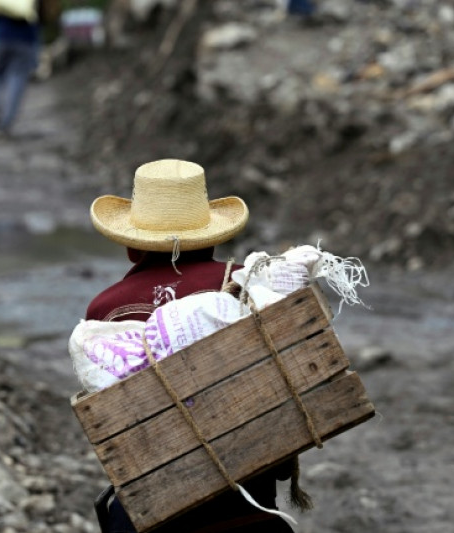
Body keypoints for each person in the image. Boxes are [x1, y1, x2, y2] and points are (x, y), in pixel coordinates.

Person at [84, 159, 297, 533]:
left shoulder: (104, 310)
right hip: (248, 495)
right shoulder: (246, 286)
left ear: (133, 247)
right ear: (212, 237)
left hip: (154, 508)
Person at [0, 3, 41, 134]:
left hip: (3, 40)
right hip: (26, 41)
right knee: (17, 80)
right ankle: (6, 123)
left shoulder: (2, 3)